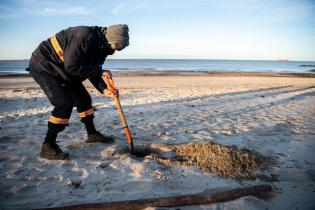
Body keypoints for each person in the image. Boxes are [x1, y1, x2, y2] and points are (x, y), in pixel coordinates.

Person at [27, 24, 129, 160]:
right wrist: (99, 71)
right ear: (110, 39)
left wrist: (104, 90)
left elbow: (92, 70)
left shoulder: (102, 46)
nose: (115, 51)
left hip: (64, 68)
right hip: (45, 65)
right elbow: (73, 67)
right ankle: (48, 145)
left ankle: (92, 134)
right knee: (63, 104)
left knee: (84, 100)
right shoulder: (84, 36)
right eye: (115, 47)